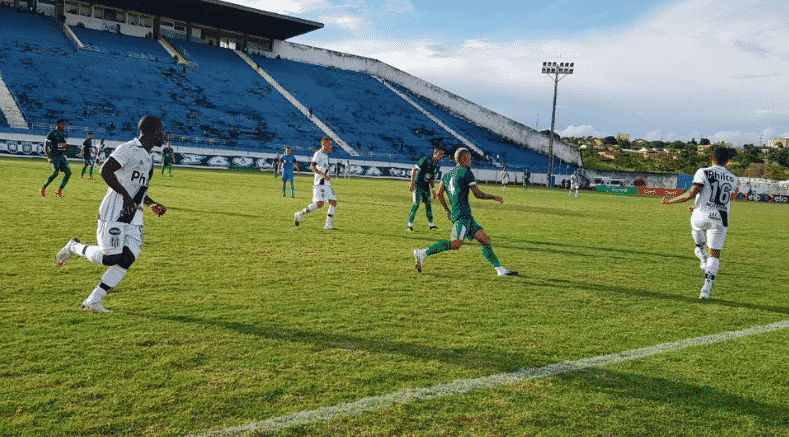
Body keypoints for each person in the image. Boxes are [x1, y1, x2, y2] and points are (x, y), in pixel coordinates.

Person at [55, 115, 168, 313]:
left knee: (127, 258)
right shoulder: (128, 149)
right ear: (150, 131)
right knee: (110, 257)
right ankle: (74, 247)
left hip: (135, 217)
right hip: (115, 211)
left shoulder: (149, 159)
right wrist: (125, 197)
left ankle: (92, 302)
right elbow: (105, 170)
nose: (163, 135)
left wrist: (151, 204)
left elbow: (138, 189)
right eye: (161, 131)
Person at [413, 148, 517, 276]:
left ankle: (500, 270)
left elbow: (439, 194)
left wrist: (447, 210)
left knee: (485, 239)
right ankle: (423, 252)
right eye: (469, 158)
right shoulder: (466, 172)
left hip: (464, 215)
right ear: (463, 159)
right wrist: (494, 197)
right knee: (456, 243)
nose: (470, 161)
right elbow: (477, 194)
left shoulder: (447, 175)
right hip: (462, 216)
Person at [662, 147, 738, 300]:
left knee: (696, 223)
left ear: (712, 158)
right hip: (721, 218)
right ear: (728, 161)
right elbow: (727, 197)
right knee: (715, 256)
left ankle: (700, 251)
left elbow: (691, 193)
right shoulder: (734, 178)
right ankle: (705, 290)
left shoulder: (703, 171)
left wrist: (670, 201)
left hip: (702, 214)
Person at [294, 136, 337, 230]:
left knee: (333, 202)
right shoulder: (318, 154)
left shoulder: (326, 155)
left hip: (326, 183)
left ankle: (328, 224)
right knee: (320, 203)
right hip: (320, 182)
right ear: (324, 144)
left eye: (331, 144)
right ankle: (300, 214)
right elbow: (312, 167)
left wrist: (327, 175)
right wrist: (323, 175)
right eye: (329, 144)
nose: (331, 146)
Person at [407, 146, 444, 231]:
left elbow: (432, 178)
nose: (441, 155)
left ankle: (431, 225)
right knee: (416, 203)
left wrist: (433, 190)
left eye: (442, 154)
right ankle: (410, 225)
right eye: (440, 153)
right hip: (418, 185)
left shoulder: (437, 164)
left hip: (426, 187)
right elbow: (414, 169)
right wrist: (412, 184)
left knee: (428, 205)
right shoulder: (425, 159)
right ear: (435, 152)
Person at [40, 119, 71, 198]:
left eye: (64, 125)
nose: (63, 126)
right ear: (58, 125)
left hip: (61, 157)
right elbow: (46, 146)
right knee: (55, 172)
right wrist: (49, 157)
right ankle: (43, 188)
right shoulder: (52, 134)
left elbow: (63, 147)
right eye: (62, 125)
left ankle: (59, 191)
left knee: (68, 173)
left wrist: (65, 157)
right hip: (54, 156)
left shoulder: (62, 135)